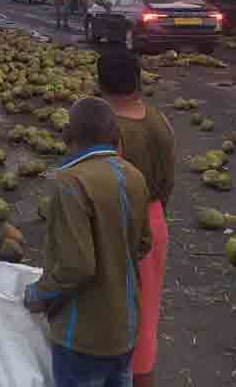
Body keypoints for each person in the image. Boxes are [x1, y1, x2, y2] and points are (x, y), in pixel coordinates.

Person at [25, 97, 152, 387]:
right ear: (115, 136)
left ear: (67, 134)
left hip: (83, 337)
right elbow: (144, 243)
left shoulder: (69, 182)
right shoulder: (135, 177)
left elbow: (77, 265)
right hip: (125, 328)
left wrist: (38, 295)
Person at [97, 49, 174, 387]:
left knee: (108, 320)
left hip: (121, 229)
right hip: (155, 221)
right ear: (138, 80)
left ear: (99, 84)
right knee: (144, 318)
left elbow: (107, 193)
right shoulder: (160, 120)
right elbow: (169, 177)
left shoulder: (109, 132)